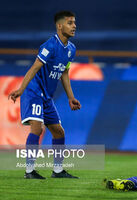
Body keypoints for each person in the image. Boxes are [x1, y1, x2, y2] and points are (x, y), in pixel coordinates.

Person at [8, 11, 81, 179]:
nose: (74, 26)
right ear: (59, 25)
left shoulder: (71, 49)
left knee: (59, 132)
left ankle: (57, 171)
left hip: (47, 96)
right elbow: (34, 67)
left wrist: (71, 97)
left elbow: (64, 73)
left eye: (75, 23)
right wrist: (20, 89)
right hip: (34, 91)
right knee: (37, 128)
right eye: (70, 23)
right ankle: (29, 171)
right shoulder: (49, 45)